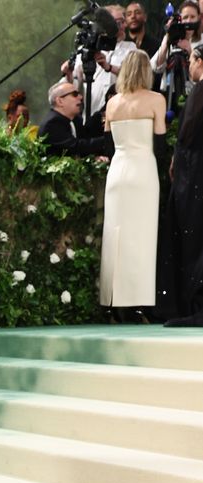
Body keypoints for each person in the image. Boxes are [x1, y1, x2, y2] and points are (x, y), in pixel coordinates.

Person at [99, 50, 167, 316]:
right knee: (143, 235)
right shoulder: (155, 100)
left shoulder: (113, 104)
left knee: (115, 234)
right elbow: (160, 145)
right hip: (143, 170)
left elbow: (107, 144)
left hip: (117, 172)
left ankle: (113, 301)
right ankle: (140, 301)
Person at [159, 43, 203, 322]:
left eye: (192, 60)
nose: (189, 66)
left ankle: (191, 302)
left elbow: (187, 139)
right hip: (194, 174)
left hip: (194, 176)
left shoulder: (199, 92)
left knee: (192, 238)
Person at [63, 5, 136, 123]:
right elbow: (77, 83)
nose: (123, 26)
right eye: (118, 22)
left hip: (119, 113)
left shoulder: (131, 48)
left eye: (123, 22)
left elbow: (135, 76)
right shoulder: (86, 48)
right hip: (90, 113)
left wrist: (109, 67)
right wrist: (69, 74)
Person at [39, 82, 108, 156]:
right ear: (60, 101)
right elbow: (75, 147)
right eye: (74, 94)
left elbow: (86, 138)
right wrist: (109, 139)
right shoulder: (52, 123)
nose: (80, 97)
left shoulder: (76, 119)